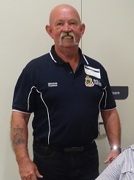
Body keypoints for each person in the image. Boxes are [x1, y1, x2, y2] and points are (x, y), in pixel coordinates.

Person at [10, 4, 121, 180]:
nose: (67, 29)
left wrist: (115, 148)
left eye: (73, 23)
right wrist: (23, 161)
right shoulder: (34, 70)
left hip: (88, 158)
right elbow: (19, 117)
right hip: (49, 159)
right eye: (59, 24)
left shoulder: (97, 69)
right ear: (49, 30)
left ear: (81, 29)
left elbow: (109, 112)